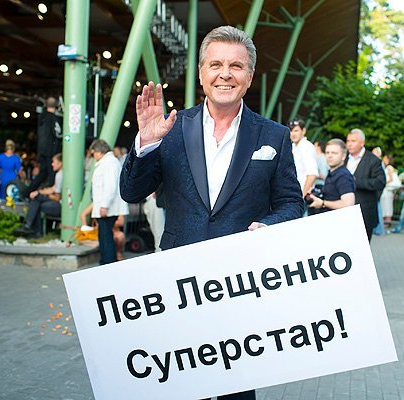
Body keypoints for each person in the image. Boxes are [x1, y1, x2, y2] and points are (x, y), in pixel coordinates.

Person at [120, 27, 303, 399]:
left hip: (241, 286)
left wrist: (269, 225)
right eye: (216, 64)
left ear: (249, 76)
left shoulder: (273, 136)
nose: (225, 74)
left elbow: (291, 203)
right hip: (180, 285)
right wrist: (146, 143)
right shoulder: (170, 129)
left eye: (236, 66)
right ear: (201, 73)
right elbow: (132, 192)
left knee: (237, 389)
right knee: (186, 387)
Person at [89, 139, 129, 265]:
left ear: (99, 152)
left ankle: (107, 262)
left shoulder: (109, 163)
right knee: (105, 236)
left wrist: (104, 205)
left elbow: (110, 186)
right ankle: (106, 262)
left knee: (106, 237)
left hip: (108, 208)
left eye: (93, 153)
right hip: (107, 207)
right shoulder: (110, 162)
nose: (93, 156)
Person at [345, 129, 386, 241]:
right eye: (348, 141)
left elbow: (380, 182)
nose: (349, 144)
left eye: (353, 141)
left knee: (361, 247)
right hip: (344, 211)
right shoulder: (344, 158)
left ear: (362, 143)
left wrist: (355, 182)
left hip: (364, 213)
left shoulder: (373, 160)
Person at [14, 153, 63, 238]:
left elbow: (57, 198)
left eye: (54, 162)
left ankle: (31, 228)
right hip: (58, 203)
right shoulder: (60, 174)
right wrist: (38, 192)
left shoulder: (60, 176)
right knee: (36, 200)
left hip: (61, 206)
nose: (52, 164)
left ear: (60, 163)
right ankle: (30, 228)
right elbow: (53, 189)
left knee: (37, 204)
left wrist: (43, 196)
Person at [22, 97, 62, 199]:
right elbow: (58, 133)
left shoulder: (41, 117)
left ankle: (25, 193)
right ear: (56, 106)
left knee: (42, 174)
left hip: (42, 150)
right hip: (52, 150)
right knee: (52, 175)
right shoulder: (54, 118)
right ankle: (49, 197)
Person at [307, 138, 355, 212]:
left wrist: (323, 203)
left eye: (334, 153)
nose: (329, 156)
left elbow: (348, 204)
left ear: (343, 156)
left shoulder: (343, 176)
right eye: (327, 152)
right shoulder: (332, 173)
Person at [288, 119, 318, 199]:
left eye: (296, 131)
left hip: (302, 195)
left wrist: (302, 197)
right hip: (293, 193)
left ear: (303, 131)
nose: (293, 134)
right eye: (291, 131)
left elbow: (312, 174)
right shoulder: (293, 146)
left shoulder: (306, 147)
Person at [380, 155, 400, 230]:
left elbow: (390, 178)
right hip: (387, 190)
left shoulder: (389, 167)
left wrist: (384, 183)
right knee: (386, 205)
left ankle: (387, 221)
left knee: (386, 205)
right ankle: (386, 221)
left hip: (387, 190)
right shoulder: (388, 167)